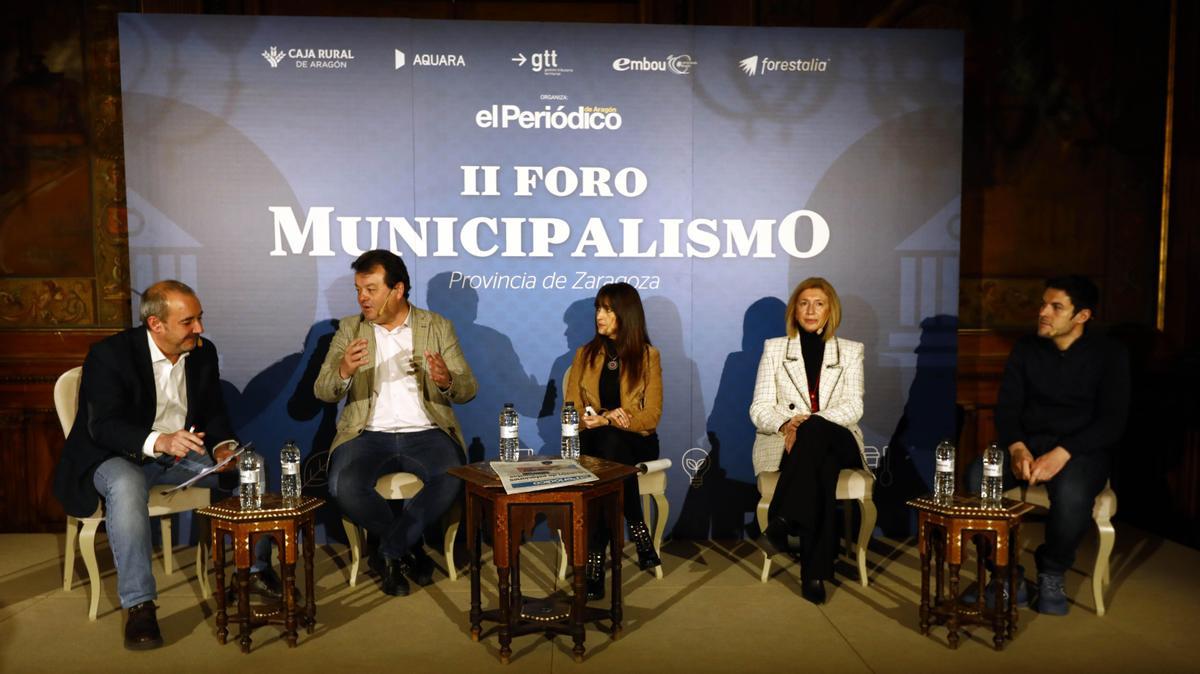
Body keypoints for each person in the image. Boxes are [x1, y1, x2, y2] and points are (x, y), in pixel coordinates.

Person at [52, 280, 278, 650]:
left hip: (178, 452)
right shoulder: (110, 355)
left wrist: (223, 447)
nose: (200, 329)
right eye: (189, 322)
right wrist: (159, 440)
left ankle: (253, 570)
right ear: (156, 324)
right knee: (126, 486)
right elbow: (103, 425)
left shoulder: (203, 352)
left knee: (250, 465)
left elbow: (214, 411)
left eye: (200, 319)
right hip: (114, 454)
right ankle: (140, 605)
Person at [315, 249, 477, 597]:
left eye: (371, 289)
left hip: (428, 433)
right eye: (359, 289)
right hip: (366, 435)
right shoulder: (350, 329)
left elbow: (468, 389)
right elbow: (322, 390)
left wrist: (447, 378)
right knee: (342, 484)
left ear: (398, 289)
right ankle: (408, 547)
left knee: (451, 477)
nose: (362, 298)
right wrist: (343, 370)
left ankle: (389, 552)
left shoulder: (436, 326)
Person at [965, 275, 1128, 615]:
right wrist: (1017, 448)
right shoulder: (1027, 348)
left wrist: (1062, 453)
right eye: (1043, 304)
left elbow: (1112, 421)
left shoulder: (1109, 354)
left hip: (1081, 449)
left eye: (1056, 307)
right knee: (976, 477)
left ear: (1081, 316)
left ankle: (1052, 572)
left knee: (1071, 495)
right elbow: (1007, 408)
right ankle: (1005, 573)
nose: (1043, 313)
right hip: (1027, 442)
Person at [749, 277, 866, 605]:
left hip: (839, 439)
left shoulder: (851, 351)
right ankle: (814, 573)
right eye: (803, 303)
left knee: (816, 434)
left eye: (819, 303)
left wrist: (809, 424)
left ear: (831, 310)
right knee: (822, 468)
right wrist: (787, 423)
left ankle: (783, 519)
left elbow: (854, 406)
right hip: (791, 442)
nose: (810, 310)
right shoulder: (775, 349)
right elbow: (759, 406)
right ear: (794, 310)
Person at [563, 282, 663, 600]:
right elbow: (571, 410)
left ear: (626, 313)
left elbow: (653, 415)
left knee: (611, 447)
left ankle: (594, 565)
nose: (600, 316)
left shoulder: (648, 356)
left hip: (636, 442)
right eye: (598, 308)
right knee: (607, 445)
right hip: (595, 441)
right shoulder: (585, 354)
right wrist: (597, 418)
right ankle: (637, 527)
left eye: (607, 309)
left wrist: (614, 419)